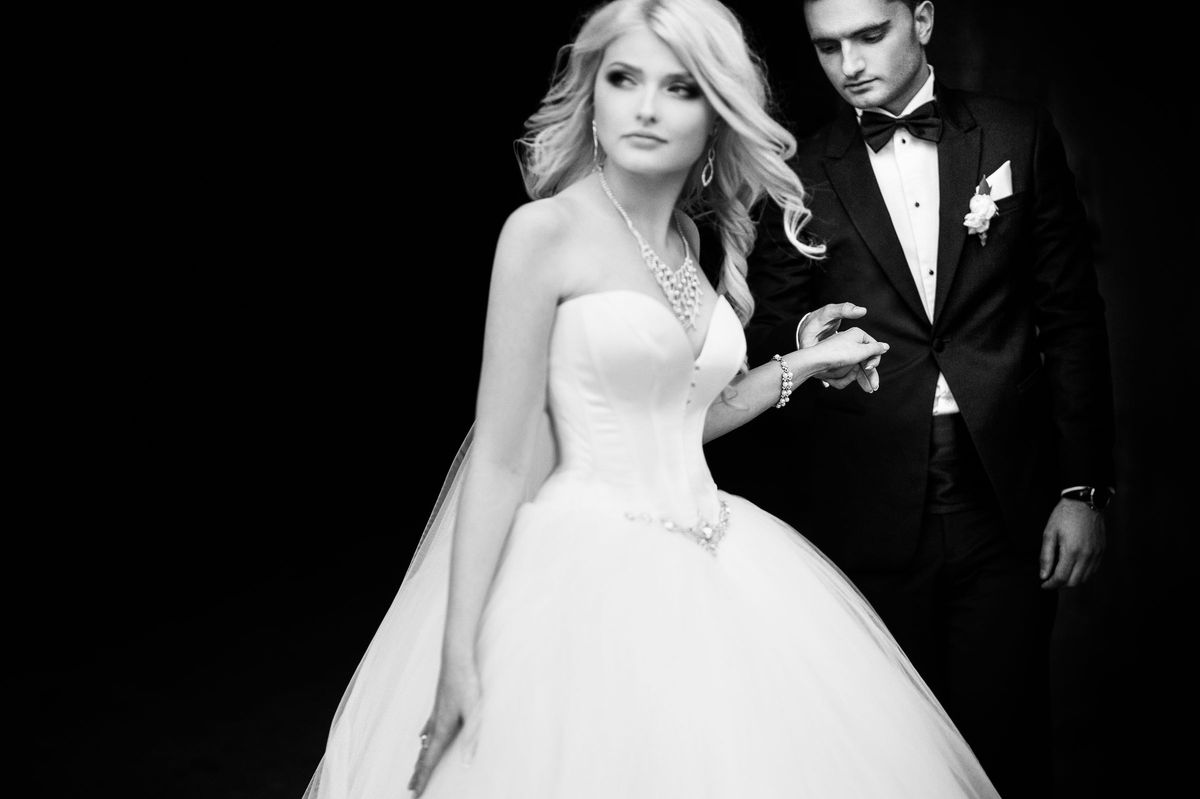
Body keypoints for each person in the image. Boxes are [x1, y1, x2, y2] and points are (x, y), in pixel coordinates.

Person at [303, 1, 1001, 797]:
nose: (645, 107)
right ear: (592, 98)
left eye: (679, 87)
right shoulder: (542, 234)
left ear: (716, 115)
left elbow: (685, 419)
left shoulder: (689, 240)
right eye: (624, 79)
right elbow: (497, 459)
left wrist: (807, 364)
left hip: (718, 555)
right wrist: (457, 653)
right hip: (582, 572)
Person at [729, 1, 1116, 796]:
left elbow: (1071, 317)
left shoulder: (1016, 135)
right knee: (888, 759)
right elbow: (765, 330)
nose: (850, 65)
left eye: (870, 36)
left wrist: (1083, 488)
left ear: (924, 20)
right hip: (863, 507)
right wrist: (804, 334)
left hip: (1003, 502)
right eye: (828, 47)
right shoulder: (799, 169)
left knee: (1005, 747)